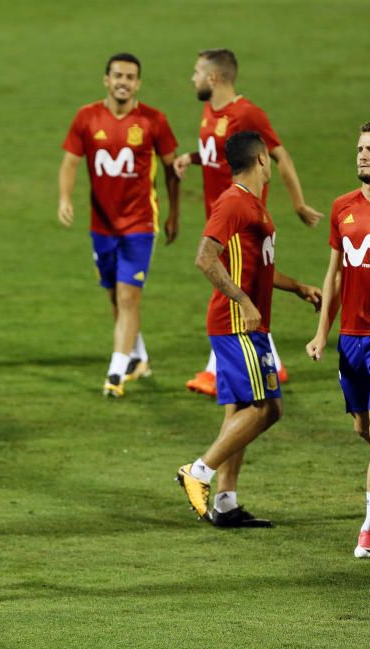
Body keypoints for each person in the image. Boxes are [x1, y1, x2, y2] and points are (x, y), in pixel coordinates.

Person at [176, 132, 320, 528]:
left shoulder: (253, 204)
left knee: (240, 409)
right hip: (237, 325)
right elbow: (205, 258)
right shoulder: (235, 201)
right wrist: (242, 301)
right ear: (261, 160)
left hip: (244, 322)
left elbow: (259, 267)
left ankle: (225, 503)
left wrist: (298, 288)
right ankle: (198, 472)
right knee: (268, 408)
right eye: (270, 157)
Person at [174, 49, 323, 397]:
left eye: (197, 72)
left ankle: (218, 369)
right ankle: (263, 360)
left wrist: (298, 203)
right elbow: (220, 156)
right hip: (221, 215)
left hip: (242, 217)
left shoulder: (247, 113)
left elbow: (278, 154)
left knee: (233, 284)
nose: (192, 78)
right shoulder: (209, 111)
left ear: (214, 77)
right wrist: (191, 158)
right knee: (239, 284)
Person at [58, 53, 180, 397]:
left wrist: (174, 214)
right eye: (118, 75)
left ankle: (116, 372)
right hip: (102, 225)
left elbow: (172, 172)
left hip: (140, 223)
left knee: (128, 296)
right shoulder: (87, 117)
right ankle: (138, 357)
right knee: (116, 295)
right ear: (106, 80)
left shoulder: (154, 121)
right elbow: (69, 163)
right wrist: (65, 198)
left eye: (130, 76)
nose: (123, 82)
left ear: (138, 83)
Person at [306, 121, 370, 558]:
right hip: (350, 339)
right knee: (363, 428)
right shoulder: (342, 208)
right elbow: (334, 274)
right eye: (360, 148)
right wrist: (321, 333)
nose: (362, 155)